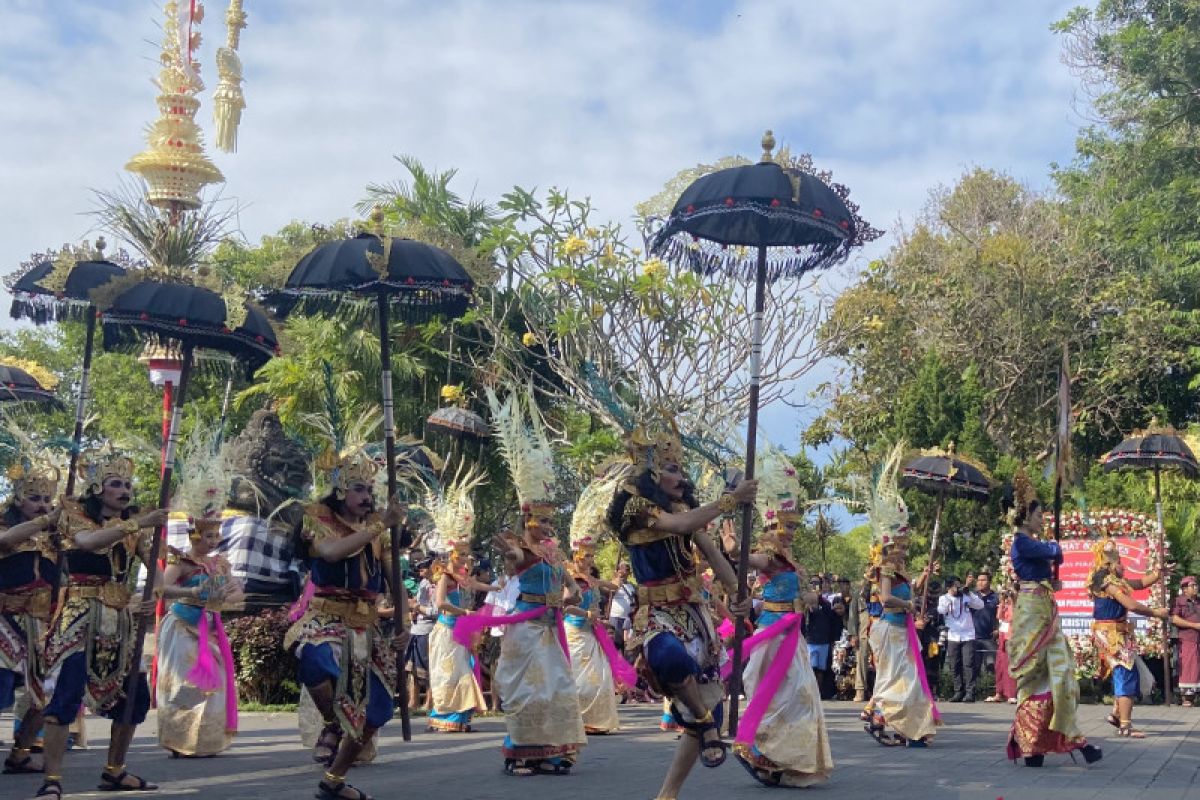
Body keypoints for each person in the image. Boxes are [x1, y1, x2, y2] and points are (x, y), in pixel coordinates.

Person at [607, 423, 756, 800]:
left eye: (681, 468)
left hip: (694, 614)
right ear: (651, 473)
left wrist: (738, 595)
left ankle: (668, 792)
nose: (680, 476)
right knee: (669, 659)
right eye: (671, 468)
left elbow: (712, 553)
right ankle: (703, 723)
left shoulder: (684, 507)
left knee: (710, 710)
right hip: (656, 614)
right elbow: (681, 525)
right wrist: (731, 501)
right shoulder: (639, 508)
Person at [455, 386, 585, 775]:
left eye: (550, 520)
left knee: (556, 690)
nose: (547, 526)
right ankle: (519, 752)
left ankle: (548, 751)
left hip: (549, 627)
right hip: (524, 627)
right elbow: (512, 564)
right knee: (526, 690)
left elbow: (573, 587)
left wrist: (568, 596)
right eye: (541, 520)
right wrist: (509, 556)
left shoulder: (555, 553)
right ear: (526, 520)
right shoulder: (521, 551)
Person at [33, 447, 168, 799]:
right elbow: (89, 544)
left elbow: (159, 577)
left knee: (135, 696)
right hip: (80, 614)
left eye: (127, 484)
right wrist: (137, 523)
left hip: (120, 619)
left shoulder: (134, 527)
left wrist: (157, 593)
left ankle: (115, 770)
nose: (124, 490)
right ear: (97, 489)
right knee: (66, 694)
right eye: (115, 484)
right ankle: (52, 778)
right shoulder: (74, 514)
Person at [284, 443, 407, 800]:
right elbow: (331, 552)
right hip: (326, 616)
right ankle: (331, 722)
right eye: (359, 488)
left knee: (379, 709)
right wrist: (379, 525)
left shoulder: (379, 532)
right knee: (317, 660)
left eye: (370, 490)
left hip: (366, 625)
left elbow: (394, 580)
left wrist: (404, 623)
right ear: (340, 490)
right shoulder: (316, 518)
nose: (367, 496)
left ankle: (334, 780)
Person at [728, 447, 832, 788]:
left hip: (793, 636)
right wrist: (731, 545)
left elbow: (803, 596)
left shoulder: (791, 561)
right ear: (770, 526)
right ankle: (761, 748)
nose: (788, 532)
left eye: (792, 527)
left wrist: (811, 598)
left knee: (801, 695)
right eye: (783, 527)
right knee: (779, 695)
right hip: (772, 635)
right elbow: (744, 558)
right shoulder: (769, 558)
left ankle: (785, 758)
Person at [1004, 471, 1101, 767]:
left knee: (1061, 673)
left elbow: (1051, 559)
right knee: (1036, 675)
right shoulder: (1021, 542)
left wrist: (1050, 577)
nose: (1043, 519)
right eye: (1038, 514)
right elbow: (1054, 552)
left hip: (1044, 607)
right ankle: (1034, 745)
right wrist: (1053, 554)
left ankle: (1063, 737)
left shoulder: (1030, 542)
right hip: (1033, 612)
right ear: (1025, 515)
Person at [862, 443, 940, 748]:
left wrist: (924, 575)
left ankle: (891, 720)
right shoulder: (886, 564)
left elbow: (908, 592)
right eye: (903, 539)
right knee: (901, 679)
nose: (906, 543)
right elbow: (885, 599)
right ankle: (895, 722)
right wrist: (908, 603)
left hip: (899, 630)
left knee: (903, 679)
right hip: (889, 629)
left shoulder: (900, 567)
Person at [0, 444, 61, 776]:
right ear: (18, 499)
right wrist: (45, 520)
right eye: (34, 498)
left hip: (42, 624)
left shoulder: (55, 532)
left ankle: (20, 752)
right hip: (5, 619)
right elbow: (5, 542)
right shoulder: (4, 522)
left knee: (45, 695)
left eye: (46, 499)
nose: (42, 505)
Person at [425, 467, 493, 734]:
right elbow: (440, 603)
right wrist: (463, 611)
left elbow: (477, 584)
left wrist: (497, 585)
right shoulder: (444, 575)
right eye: (462, 554)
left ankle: (461, 717)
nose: (466, 559)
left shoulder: (463, 577)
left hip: (460, 632)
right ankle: (445, 716)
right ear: (453, 553)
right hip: (446, 630)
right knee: (449, 675)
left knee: (465, 671)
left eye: (467, 554)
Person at [1088, 533, 1170, 739]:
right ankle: (1125, 725)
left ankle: (1117, 714)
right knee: (1125, 672)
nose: (1122, 565)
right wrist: (1155, 613)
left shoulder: (1115, 578)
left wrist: (1158, 573)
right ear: (1108, 562)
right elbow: (1130, 604)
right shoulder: (1103, 579)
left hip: (1119, 631)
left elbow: (1140, 583)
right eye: (1118, 560)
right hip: (1110, 633)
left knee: (1127, 671)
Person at [938, 576, 984, 702]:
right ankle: (958, 691)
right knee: (955, 664)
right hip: (953, 634)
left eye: (958, 585)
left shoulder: (965, 596)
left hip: (968, 634)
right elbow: (941, 610)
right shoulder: (943, 598)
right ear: (948, 587)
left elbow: (980, 605)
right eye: (954, 586)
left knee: (968, 664)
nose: (957, 588)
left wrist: (969, 593)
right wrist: (950, 598)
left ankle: (970, 692)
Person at [849, 573, 881, 706]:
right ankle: (860, 690)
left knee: (880, 661)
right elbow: (853, 616)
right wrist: (853, 634)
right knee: (861, 659)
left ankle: (880, 692)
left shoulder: (882, 590)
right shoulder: (858, 594)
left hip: (879, 630)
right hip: (863, 632)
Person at [986, 584, 1017, 703]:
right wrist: (1002, 602)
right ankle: (999, 692)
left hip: (1012, 637)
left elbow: (1012, 618)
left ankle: (1011, 693)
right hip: (1003, 637)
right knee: (1000, 666)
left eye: (1009, 594)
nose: (1007, 596)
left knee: (1010, 666)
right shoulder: (1004, 604)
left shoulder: (1017, 605)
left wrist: (1013, 600)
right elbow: (999, 616)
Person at [1172, 577, 1200, 706]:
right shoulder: (1179, 601)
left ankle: (1194, 697)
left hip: (1198, 640)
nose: (1196, 587)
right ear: (1184, 589)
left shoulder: (1198, 602)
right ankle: (1186, 698)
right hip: (1187, 639)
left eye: (1196, 585)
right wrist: (1194, 625)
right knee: (1188, 667)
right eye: (1192, 585)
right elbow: (1175, 619)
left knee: (1197, 668)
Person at [972, 570, 1000, 695]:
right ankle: (974, 692)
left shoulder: (996, 597)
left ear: (989, 582)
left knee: (992, 665)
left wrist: (997, 629)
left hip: (990, 637)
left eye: (983, 580)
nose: (980, 582)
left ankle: (994, 692)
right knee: (973, 666)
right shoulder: (972, 596)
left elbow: (1001, 615)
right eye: (979, 580)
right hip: (973, 636)